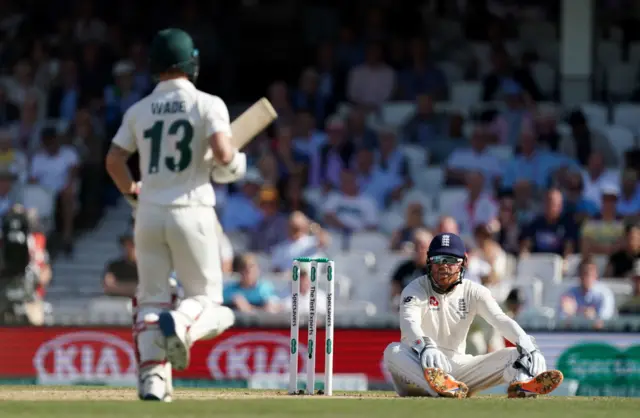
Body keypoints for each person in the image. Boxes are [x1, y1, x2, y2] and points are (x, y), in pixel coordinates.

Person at [104, 28, 241, 401]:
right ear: (190, 63)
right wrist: (236, 166)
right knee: (210, 302)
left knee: (150, 300)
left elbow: (114, 160)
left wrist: (131, 189)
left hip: (147, 213)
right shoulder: (207, 104)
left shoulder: (139, 109)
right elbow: (224, 155)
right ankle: (180, 323)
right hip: (191, 209)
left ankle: (152, 380)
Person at [383, 232, 563, 398]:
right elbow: (409, 322)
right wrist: (425, 346)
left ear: (464, 262)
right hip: (419, 368)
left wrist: (529, 346)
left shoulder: (474, 291)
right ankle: (440, 387)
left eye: (450, 260)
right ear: (429, 261)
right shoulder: (415, 289)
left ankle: (522, 385)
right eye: (437, 259)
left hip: (459, 370)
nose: (443, 266)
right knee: (393, 351)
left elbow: (500, 320)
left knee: (515, 355)